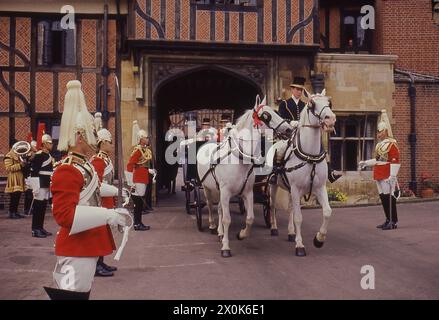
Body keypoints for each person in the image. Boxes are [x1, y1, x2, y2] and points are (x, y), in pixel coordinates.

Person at [44, 80, 128, 300]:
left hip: (87, 245)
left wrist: (116, 201)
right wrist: (107, 214)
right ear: (80, 137)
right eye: (90, 134)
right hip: (76, 248)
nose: (94, 141)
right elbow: (64, 215)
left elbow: (95, 192)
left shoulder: (84, 165)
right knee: (70, 297)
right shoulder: (67, 168)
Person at [277, 76, 341, 183]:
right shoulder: (284, 104)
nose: (299, 92)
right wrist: (290, 122)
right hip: (288, 133)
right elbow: (280, 119)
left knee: (322, 147)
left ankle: (330, 172)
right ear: (292, 89)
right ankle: (277, 171)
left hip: (303, 133)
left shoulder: (305, 105)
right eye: (297, 89)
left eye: (301, 90)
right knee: (280, 148)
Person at [359, 110, 400, 230]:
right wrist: (366, 163)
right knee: (383, 197)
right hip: (379, 173)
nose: (378, 133)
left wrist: (392, 176)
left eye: (380, 131)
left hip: (387, 173)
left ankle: (393, 221)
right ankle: (388, 219)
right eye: (377, 131)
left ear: (386, 131)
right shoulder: (379, 145)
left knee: (389, 197)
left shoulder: (392, 144)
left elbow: (395, 160)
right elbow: (377, 160)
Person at [90, 114, 118, 277]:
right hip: (100, 202)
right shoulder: (99, 160)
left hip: (107, 200)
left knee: (104, 233)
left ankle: (100, 262)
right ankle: (95, 265)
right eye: (109, 142)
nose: (111, 144)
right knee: (98, 234)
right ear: (102, 143)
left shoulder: (106, 159)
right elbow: (97, 185)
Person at [126, 121, 152, 231]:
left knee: (140, 203)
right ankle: (137, 224)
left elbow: (142, 165)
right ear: (141, 139)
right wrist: (130, 182)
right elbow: (129, 165)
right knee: (138, 203)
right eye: (146, 137)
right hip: (138, 179)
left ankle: (139, 222)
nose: (147, 139)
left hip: (143, 177)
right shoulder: (137, 150)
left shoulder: (144, 149)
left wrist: (149, 170)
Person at [29, 133, 54, 238]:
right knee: (38, 207)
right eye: (49, 143)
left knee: (43, 207)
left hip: (46, 183)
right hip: (40, 183)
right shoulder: (39, 155)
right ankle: (35, 229)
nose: (51, 145)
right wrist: (35, 187)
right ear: (44, 144)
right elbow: (34, 171)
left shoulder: (47, 155)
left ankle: (40, 227)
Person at [3, 142, 28, 219]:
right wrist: (20, 165)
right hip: (13, 178)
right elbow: (9, 168)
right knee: (14, 196)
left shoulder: (19, 155)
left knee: (18, 196)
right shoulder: (8, 156)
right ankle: (11, 212)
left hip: (20, 177)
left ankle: (15, 212)